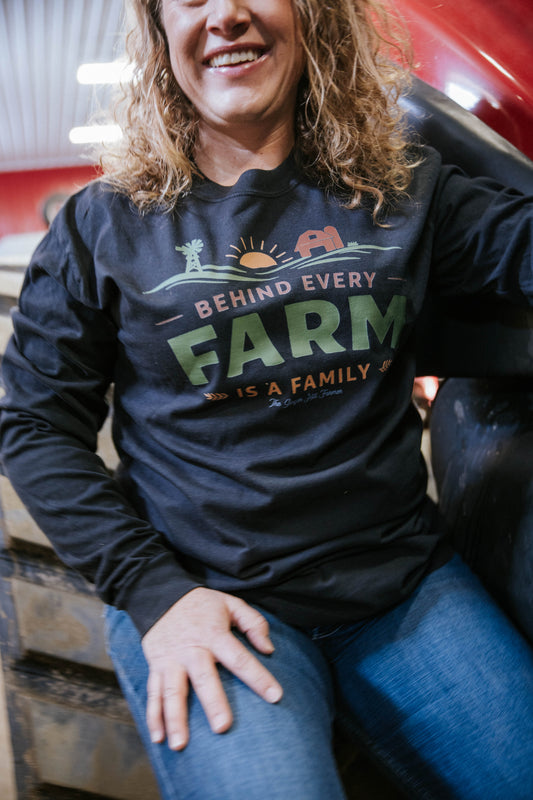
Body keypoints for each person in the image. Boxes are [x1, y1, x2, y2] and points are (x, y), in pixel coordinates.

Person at [1, 0, 533, 798]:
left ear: (309, 17)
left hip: (401, 584)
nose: (227, 15)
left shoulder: (403, 190)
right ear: (158, 34)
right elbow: (35, 427)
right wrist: (156, 595)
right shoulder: (100, 228)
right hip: (209, 598)